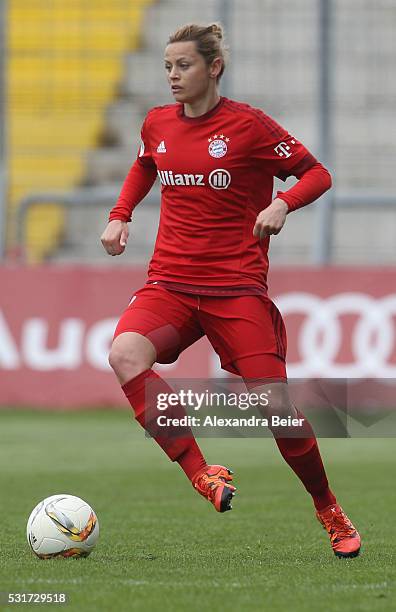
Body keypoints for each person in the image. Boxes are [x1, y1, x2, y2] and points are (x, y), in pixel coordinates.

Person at [101, 23, 360, 559]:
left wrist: (283, 203)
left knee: (277, 408)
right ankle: (201, 472)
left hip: (235, 288)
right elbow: (146, 163)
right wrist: (120, 214)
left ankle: (328, 507)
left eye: (184, 66)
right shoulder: (157, 123)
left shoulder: (248, 127)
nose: (172, 75)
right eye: (168, 66)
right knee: (125, 354)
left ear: (213, 68)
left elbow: (317, 173)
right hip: (170, 284)